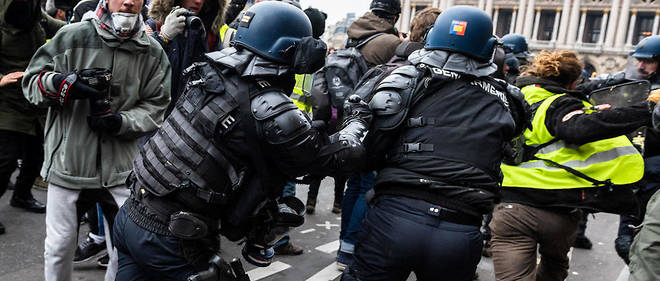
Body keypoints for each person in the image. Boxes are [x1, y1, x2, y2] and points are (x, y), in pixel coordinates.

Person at [111, 2, 370, 280]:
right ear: (292, 49)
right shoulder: (269, 105)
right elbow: (332, 158)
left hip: (131, 215)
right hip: (170, 239)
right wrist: (357, 121)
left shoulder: (210, 71)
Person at [341, 6, 530, 280]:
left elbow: (365, 152)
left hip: (394, 217)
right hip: (461, 226)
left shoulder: (402, 78)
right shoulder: (508, 99)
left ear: (431, 37)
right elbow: (515, 154)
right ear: (489, 48)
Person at [21, 0, 172, 279]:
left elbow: (157, 104)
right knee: (58, 248)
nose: (128, 1)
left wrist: (122, 122)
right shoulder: (73, 36)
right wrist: (63, 84)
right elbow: (32, 83)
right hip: (69, 164)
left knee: (126, 250)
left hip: (121, 169)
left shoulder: (152, 51)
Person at [491, 49, 652, 281]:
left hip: (511, 207)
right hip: (558, 209)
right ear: (574, 81)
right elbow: (576, 127)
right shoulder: (562, 104)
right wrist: (645, 111)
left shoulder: (512, 97)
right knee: (554, 267)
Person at [576, 35, 660, 263]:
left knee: (645, 247)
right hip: (634, 174)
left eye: (648, 61)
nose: (641, 66)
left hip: (654, 175)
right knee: (626, 243)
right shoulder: (630, 83)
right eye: (639, 60)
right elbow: (592, 90)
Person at [333, 0, 403, 269]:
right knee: (367, 186)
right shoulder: (389, 42)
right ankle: (350, 250)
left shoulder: (355, 32)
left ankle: (343, 246)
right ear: (394, 16)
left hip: (350, 116)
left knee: (354, 184)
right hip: (373, 119)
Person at [0, 0, 64, 236]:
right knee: (6, 159)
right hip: (7, 101)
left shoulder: (33, 11)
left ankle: (22, 195)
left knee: (37, 152)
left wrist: (83, 25)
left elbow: (55, 25)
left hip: (35, 97)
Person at [146, 0, 227, 116]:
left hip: (192, 117)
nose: (198, 1)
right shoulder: (154, 25)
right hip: (154, 117)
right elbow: (138, 72)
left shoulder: (210, 32)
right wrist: (162, 38)